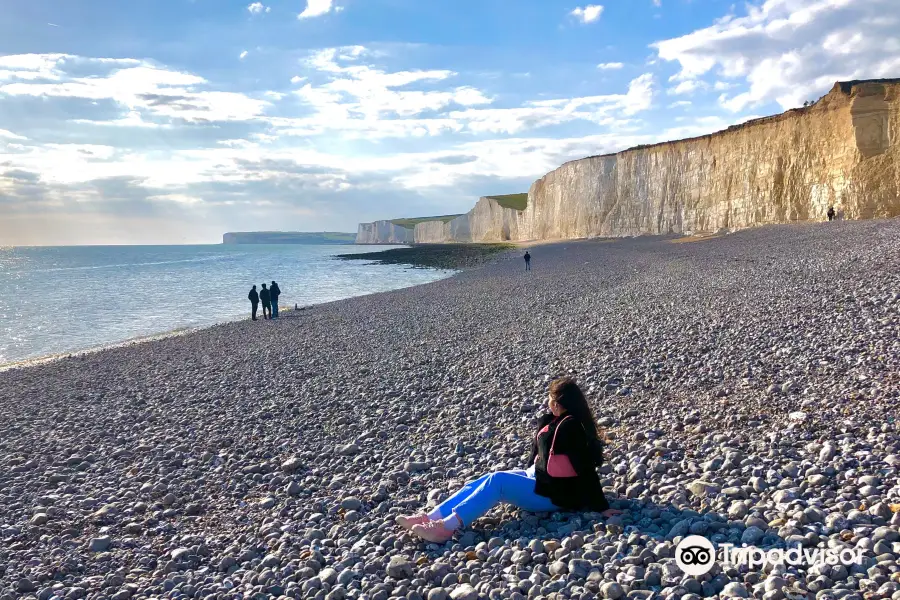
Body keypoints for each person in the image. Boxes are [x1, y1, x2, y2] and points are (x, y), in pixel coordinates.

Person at [397, 377, 621, 542]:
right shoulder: (556, 420)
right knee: (482, 480)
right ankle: (430, 517)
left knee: (498, 481)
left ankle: (445, 528)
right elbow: (538, 454)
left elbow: (585, 467)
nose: (547, 402)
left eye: (550, 398)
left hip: (554, 494)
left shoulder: (571, 426)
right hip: (538, 477)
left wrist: (601, 506)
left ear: (558, 402)